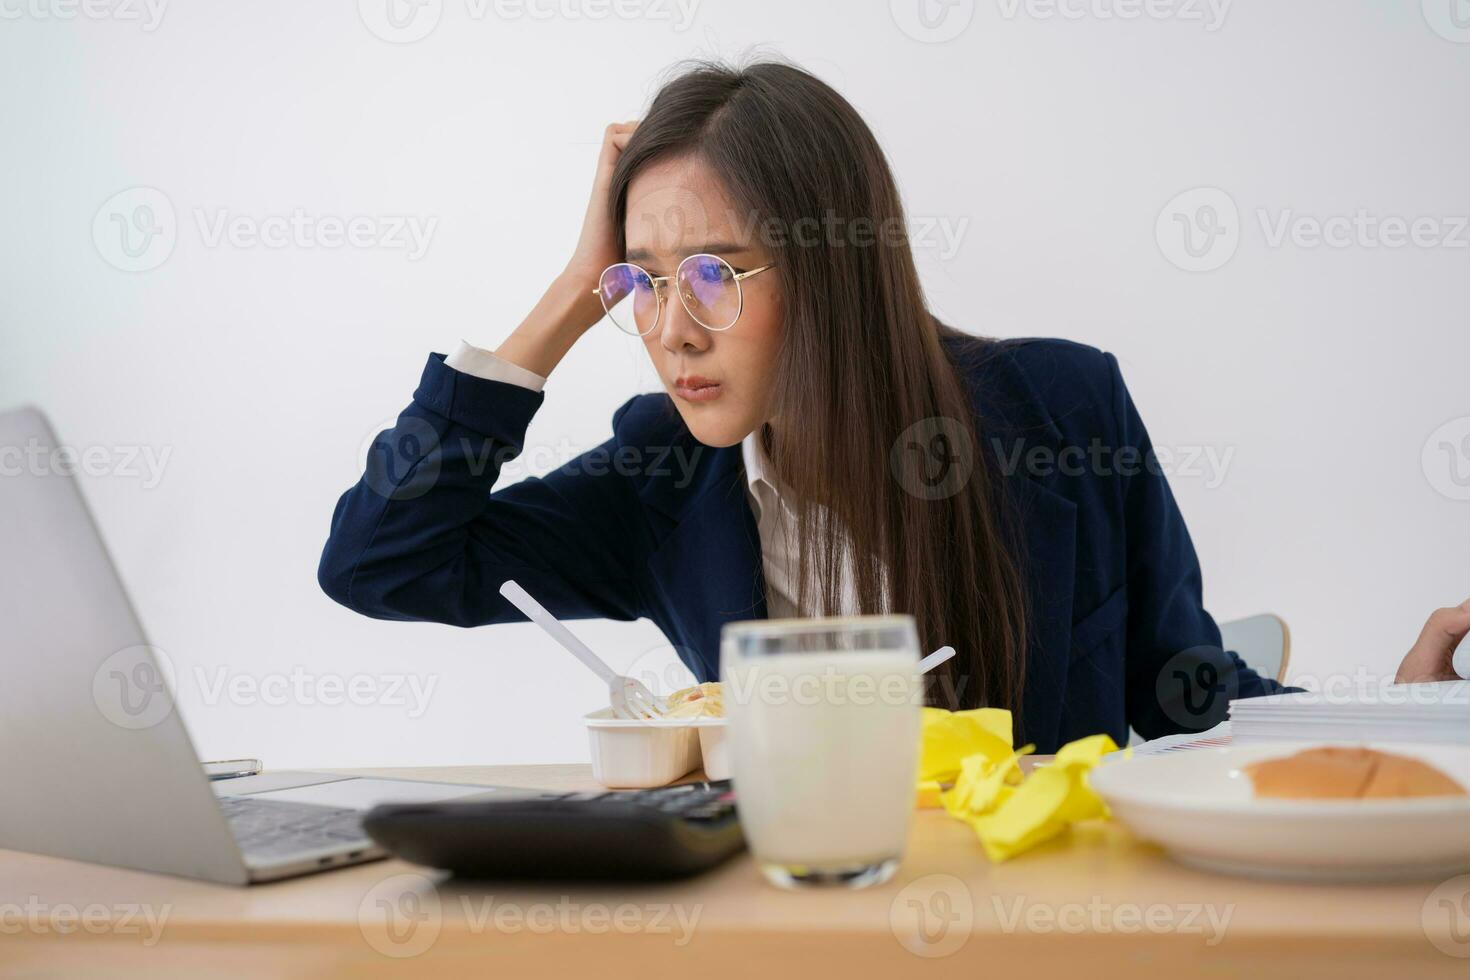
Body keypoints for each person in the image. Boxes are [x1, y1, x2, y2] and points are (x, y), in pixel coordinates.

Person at [317, 60, 1468, 752]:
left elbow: (1188, 697)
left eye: (715, 271)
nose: (671, 327)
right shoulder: (659, 474)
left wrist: (1398, 722)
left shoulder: (1063, 410)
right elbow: (382, 559)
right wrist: (571, 298)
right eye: (645, 281)